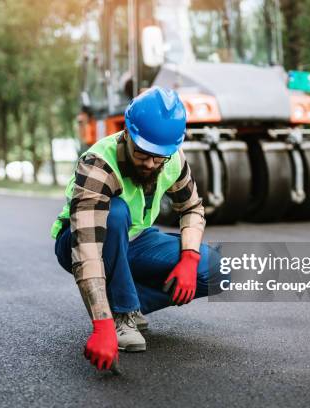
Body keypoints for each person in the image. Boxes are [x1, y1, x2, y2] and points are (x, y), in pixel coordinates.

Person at [51, 87, 222, 371]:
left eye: (159, 157)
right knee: (115, 213)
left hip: (136, 240)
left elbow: (192, 208)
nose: (151, 164)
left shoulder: (171, 159)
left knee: (218, 270)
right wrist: (101, 324)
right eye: (144, 154)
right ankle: (119, 315)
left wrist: (190, 259)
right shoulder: (97, 165)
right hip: (82, 241)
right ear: (128, 133)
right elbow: (88, 250)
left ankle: (126, 301)